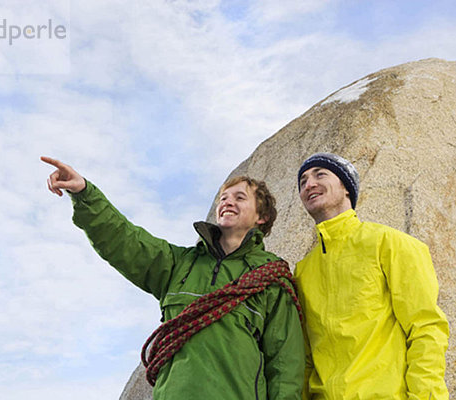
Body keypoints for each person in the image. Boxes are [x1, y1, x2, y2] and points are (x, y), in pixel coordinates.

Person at [41, 156, 305, 400]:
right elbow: (125, 240)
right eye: (223, 198)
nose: (227, 202)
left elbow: (285, 365)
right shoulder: (180, 265)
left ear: (262, 217)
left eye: (239, 197)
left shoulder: (272, 280)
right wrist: (85, 193)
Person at [294, 153, 450, 400]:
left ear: (346, 187)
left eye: (320, 174)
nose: (309, 184)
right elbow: (306, 357)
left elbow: (426, 328)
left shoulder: (390, 243)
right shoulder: (303, 271)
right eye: (302, 181)